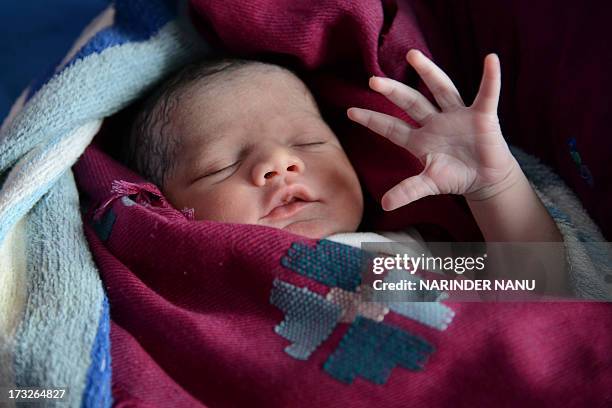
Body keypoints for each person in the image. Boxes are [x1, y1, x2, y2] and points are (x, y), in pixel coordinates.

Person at [125, 50, 562, 244]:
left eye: (309, 142)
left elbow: (534, 288)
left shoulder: (399, 258)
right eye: (219, 166)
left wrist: (494, 186)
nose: (280, 162)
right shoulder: (186, 292)